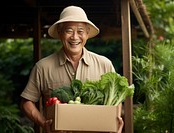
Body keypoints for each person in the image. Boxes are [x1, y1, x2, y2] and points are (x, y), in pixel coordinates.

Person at [20, 5, 124, 133]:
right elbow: (27, 102)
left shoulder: (104, 64)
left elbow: (117, 98)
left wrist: (115, 121)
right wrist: (43, 123)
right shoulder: (43, 67)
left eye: (80, 31)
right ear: (59, 32)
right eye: (68, 31)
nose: (75, 37)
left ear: (87, 34)